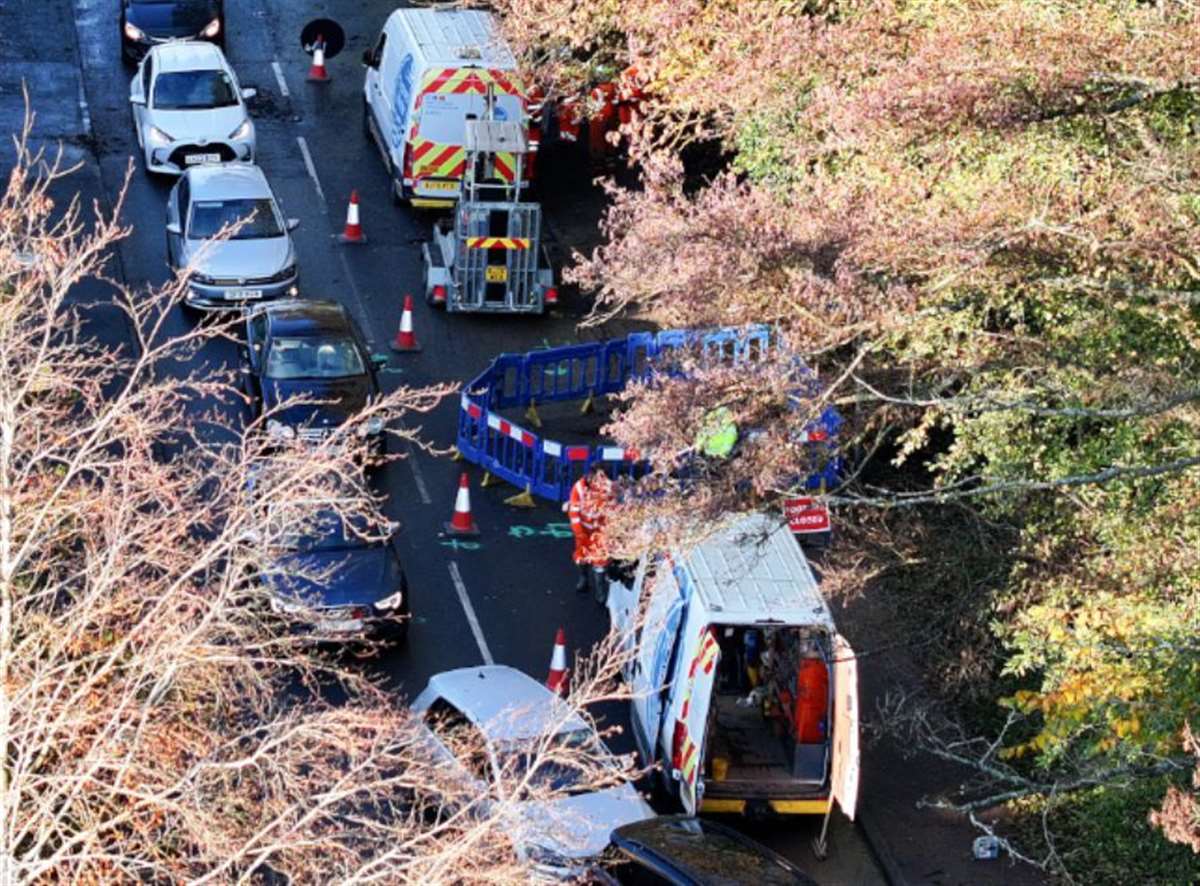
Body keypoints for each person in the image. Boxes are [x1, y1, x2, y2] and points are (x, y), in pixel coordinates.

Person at [566, 464, 612, 594]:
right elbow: (574, 513)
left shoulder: (608, 488)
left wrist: (606, 531)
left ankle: (600, 589)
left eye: (603, 477)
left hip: (600, 530)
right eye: (598, 477)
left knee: (600, 560)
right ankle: (583, 578)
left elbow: (612, 511)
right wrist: (579, 533)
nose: (600, 481)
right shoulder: (579, 488)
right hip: (583, 530)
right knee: (582, 555)